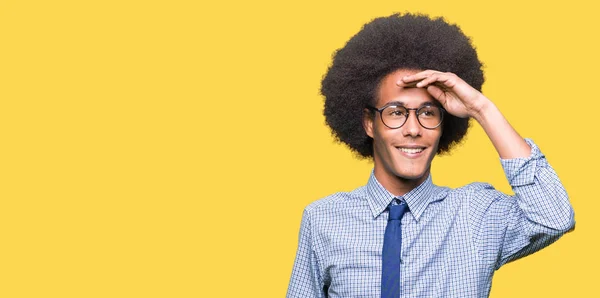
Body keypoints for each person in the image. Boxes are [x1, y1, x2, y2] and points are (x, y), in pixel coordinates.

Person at [286, 13, 575, 298]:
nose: (414, 129)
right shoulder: (323, 219)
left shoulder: (474, 215)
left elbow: (554, 218)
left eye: (427, 113)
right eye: (396, 113)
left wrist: (480, 109)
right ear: (369, 123)